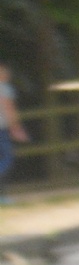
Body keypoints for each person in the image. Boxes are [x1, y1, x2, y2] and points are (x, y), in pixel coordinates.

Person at [0, 64, 29, 199]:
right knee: (7, 158)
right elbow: (9, 109)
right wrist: (16, 128)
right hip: (2, 128)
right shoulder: (5, 89)